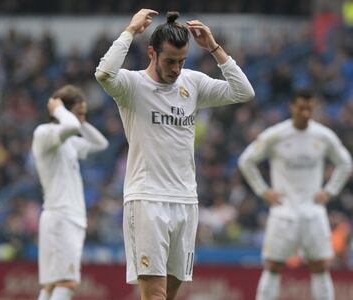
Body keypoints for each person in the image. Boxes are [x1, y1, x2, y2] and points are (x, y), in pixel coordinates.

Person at [95, 8, 254, 300]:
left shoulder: (192, 83)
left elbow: (243, 92)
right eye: (170, 61)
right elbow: (104, 73)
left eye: (181, 61)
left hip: (185, 201)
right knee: (154, 294)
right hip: (147, 199)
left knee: (168, 295)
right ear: (151, 53)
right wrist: (130, 31)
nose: (176, 69)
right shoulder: (132, 86)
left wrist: (215, 49)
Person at [238, 89, 353, 300]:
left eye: (310, 108)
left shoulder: (323, 136)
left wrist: (330, 191)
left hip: (313, 211)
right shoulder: (276, 135)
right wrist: (263, 191)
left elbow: (345, 163)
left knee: (320, 266)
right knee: (273, 266)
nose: (306, 113)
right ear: (292, 107)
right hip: (284, 212)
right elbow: (246, 160)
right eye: (302, 108)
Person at [32, 85, 109, 300]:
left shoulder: (71, 143)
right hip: (60, 217)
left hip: (67, 218)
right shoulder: (44, 134)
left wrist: (81, 122)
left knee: (51, 286)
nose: (82, 119)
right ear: (64, 111)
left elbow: (100, 144)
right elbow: (70, 124)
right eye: (80, 113)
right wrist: (58, 110)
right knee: (67, 282)